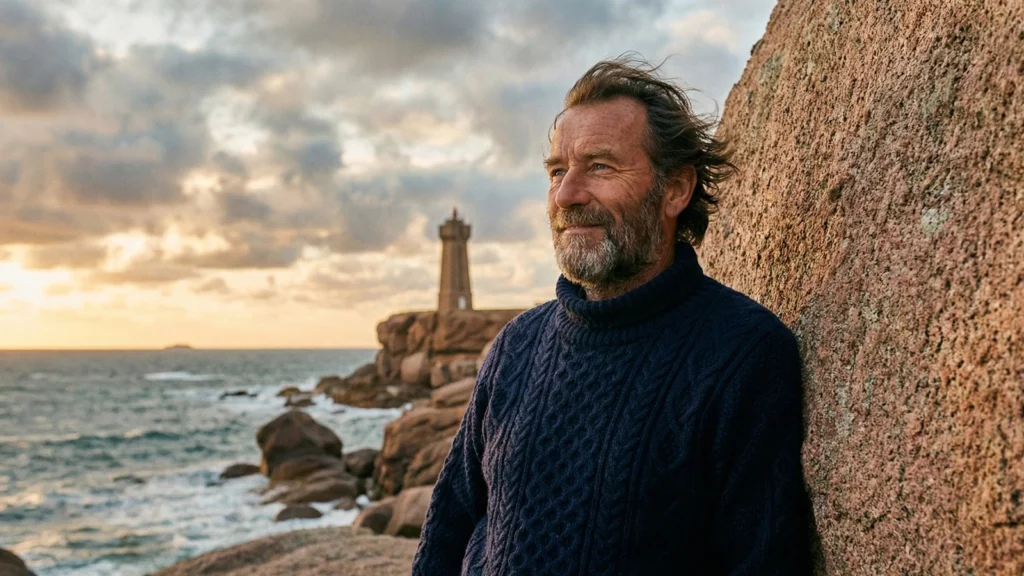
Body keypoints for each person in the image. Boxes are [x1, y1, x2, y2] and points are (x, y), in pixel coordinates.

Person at [412, 55, 812, 575]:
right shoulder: (517, 345)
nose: (568, 195)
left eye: (600, 167)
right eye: (557, 171)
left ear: (675, 190)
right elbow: (449, 527)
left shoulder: (742, 355)